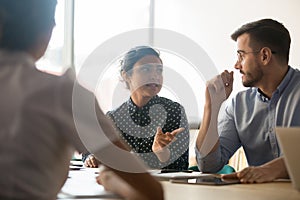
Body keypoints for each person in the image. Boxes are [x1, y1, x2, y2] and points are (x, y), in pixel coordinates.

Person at [0, 1, 163, 200]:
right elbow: (152, 193)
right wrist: (112, 181)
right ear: (48, 30)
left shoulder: (172, 111)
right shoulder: (60, 93)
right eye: (146, 69)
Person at [195, 18, 300, 183]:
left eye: (241, 56)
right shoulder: (239, 104)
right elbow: (208, 164)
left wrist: (272, 170)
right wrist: (212, 107)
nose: (237, 65)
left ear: (265, 56)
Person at [84, 46, 190, 170]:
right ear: (126, 76)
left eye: (159, 70)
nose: (154, 76)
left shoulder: (175, 112)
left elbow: (182, 166)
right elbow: (89, 150)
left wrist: (162, 153)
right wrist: (91, 157)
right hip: (122, 185)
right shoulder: (113, 117)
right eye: (146, 69)